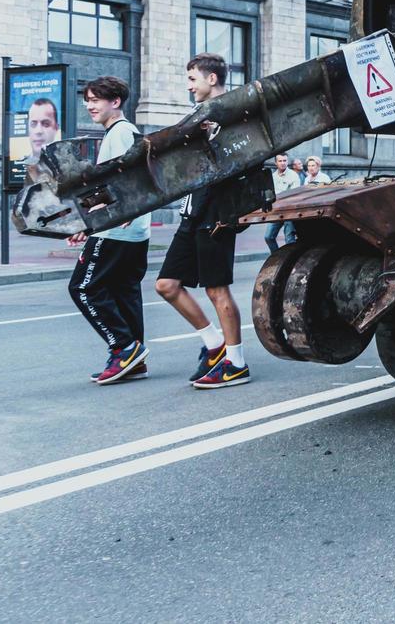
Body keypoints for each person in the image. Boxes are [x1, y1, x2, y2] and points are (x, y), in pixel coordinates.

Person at [154, 53, 251, 388]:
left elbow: (243, 162)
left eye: (193, 78)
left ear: (212, 79)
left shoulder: (233, 114)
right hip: (192, 212)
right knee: (166, 284)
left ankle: (236, 363)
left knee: (216, 290)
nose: (189, 85)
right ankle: (214, 345)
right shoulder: (199, 116)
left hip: (216, 216)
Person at [66, 77, 152, 384]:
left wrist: (92, 225)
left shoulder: (119, 133)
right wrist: (87, 225)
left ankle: (124, 348)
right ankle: (134, 360)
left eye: (95, 100)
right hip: (134, 231)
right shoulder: (126, 133)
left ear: (115, 102)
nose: (89, 105)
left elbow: (119, 185)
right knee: (123, 292)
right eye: (87, 100)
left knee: (83, 288)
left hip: (115, 231)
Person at [264, 153, 301, 254]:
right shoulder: (272, 176)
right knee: (268, 237)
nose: (283, 163)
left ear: (287, 162)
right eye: (280, 161)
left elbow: (294, 194)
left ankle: (292, 261)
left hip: (289, 211)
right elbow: (269, 194)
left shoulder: (293, 175)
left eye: (285, 161)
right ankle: (277, 257)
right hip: (276, 211)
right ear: (276, 163)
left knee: (289, 239)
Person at [26, 97, 61, 165]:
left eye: (46, 124)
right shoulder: (22, 163)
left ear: (56, 128)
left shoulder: (66, 166)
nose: (38, 131)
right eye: (33, 124)